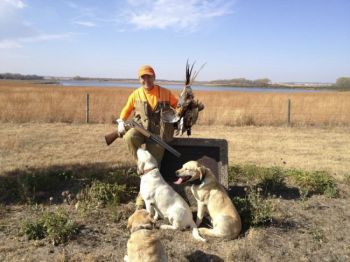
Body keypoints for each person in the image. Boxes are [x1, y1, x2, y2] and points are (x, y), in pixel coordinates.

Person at [116, 65, 179, 209]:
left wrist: (187, 105)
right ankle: (142, 164)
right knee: (129, 137)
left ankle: (140, 202)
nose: (146, 79)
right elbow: (126, 110)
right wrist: (120, 121)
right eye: (143, 77)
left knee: (152, 169)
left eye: (149, 76)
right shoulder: (135, 94)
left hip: (158, 135)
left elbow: (178, 107)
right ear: (139, 79)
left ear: (154, 77)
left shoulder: (165, 92)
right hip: (141, 130)